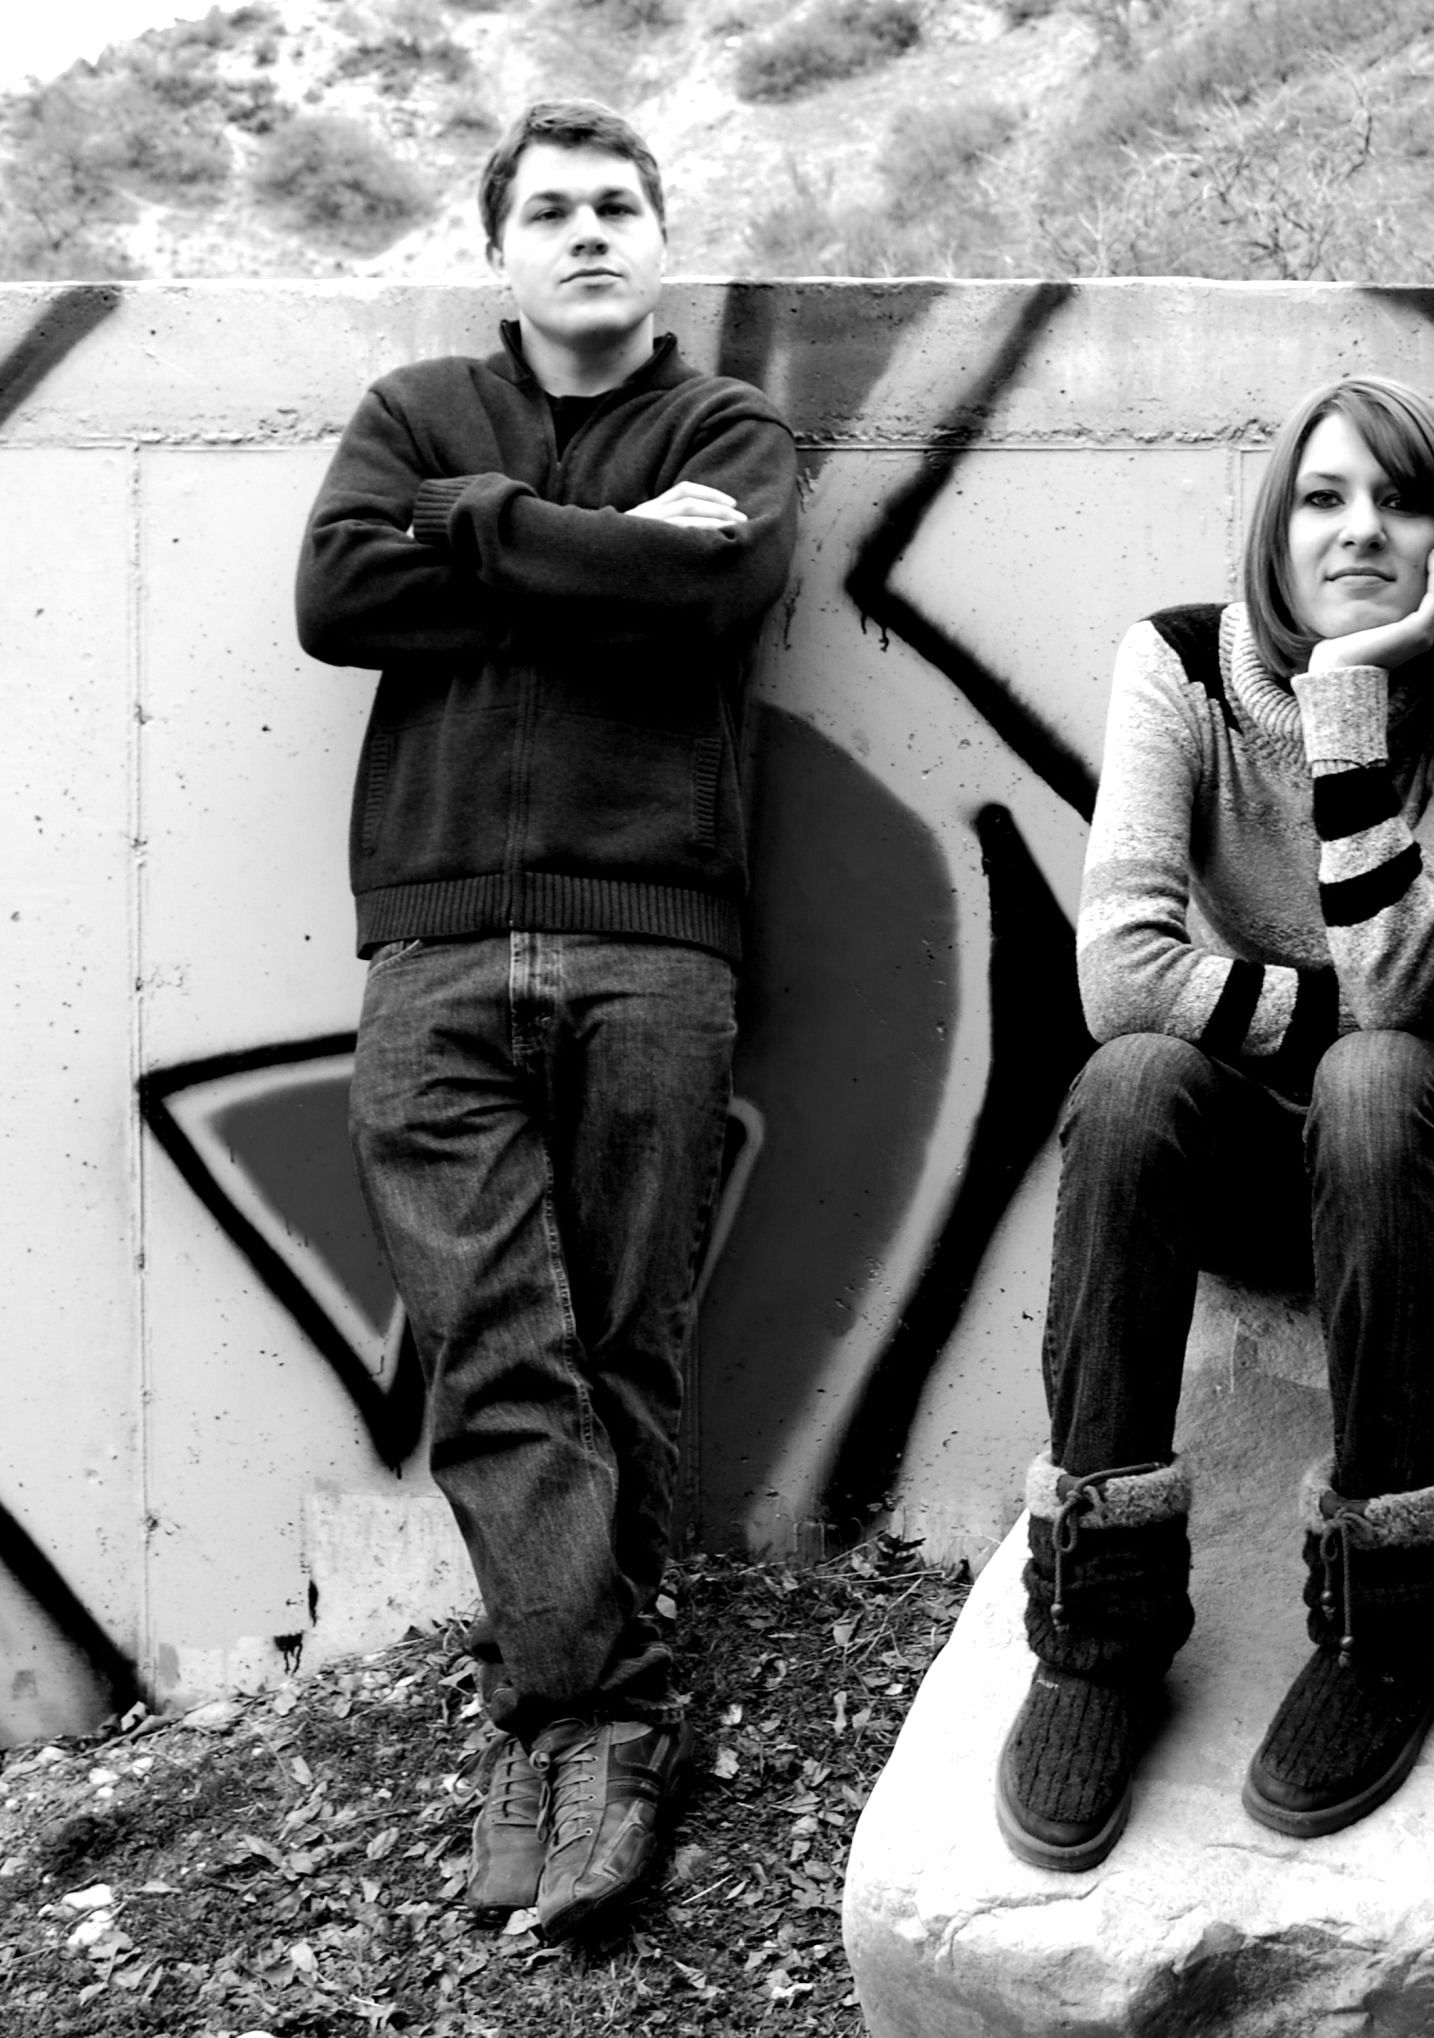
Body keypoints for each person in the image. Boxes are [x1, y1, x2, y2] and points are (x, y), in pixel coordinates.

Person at [294, 99, 799, 1938]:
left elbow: (712, 589)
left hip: (654, 945)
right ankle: (595, 1717)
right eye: (554, 212)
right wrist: (585, 546)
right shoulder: (413, 407)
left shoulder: (728, 432)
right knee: (497, 1350)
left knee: (624, 1348)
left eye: (618, 207)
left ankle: (564, 1730)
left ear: (660, 241)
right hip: (433, 952)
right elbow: (337, 594)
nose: (589, 233)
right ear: (501, 249)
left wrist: (472, 536)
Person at [994, 375, 1434, 1872]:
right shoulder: (1179, 665)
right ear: (1275, 524)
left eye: (1400, 498)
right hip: (1267, 1150)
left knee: (1376, 1079)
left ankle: (1396, 1619)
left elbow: (1396, 985)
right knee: (1132, 1081)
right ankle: (1099, 1631)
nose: (1360, 527)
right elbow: (1120, 976)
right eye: (1323, 496)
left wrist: (1350, 697)